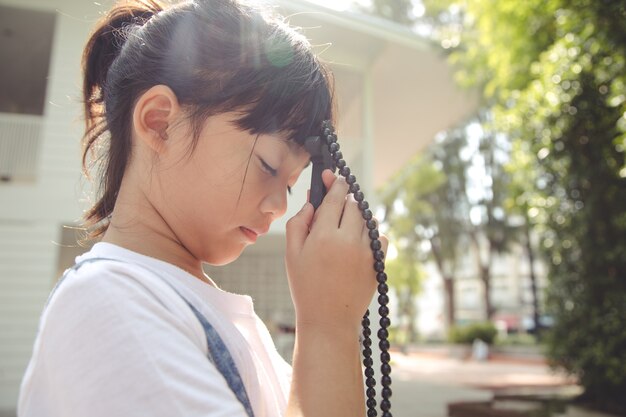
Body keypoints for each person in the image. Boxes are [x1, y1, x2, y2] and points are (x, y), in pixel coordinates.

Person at [18, 1, 388, 416]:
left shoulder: (204, 314)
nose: (281, 205)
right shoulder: (107, 305)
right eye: (267, 163)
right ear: (161, 123)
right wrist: (328, 329)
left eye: (291, 181)